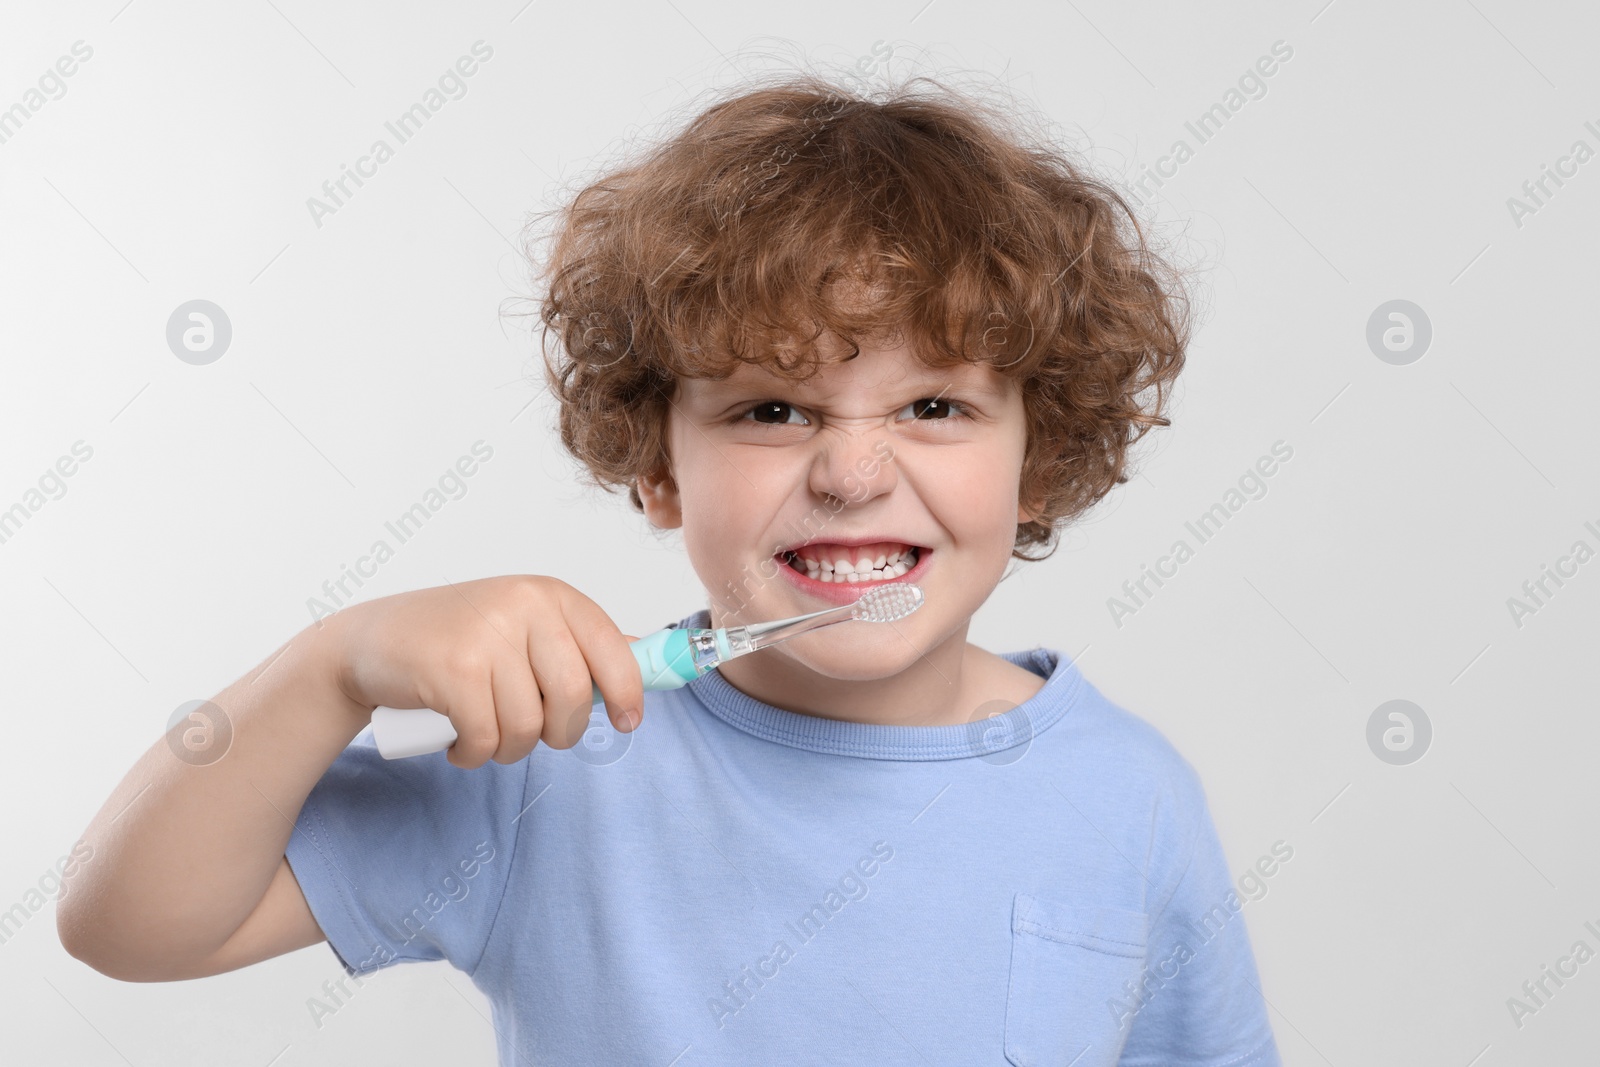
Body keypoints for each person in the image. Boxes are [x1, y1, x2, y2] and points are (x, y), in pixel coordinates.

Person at [58, 70, 1282, 1066]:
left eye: (932, 405)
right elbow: (127, 920)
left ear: (1038, 461)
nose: (854, 473)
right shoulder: (559, 764)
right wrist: (335, 666)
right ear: (656, 465)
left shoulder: (1129, 795)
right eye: (771, 411)